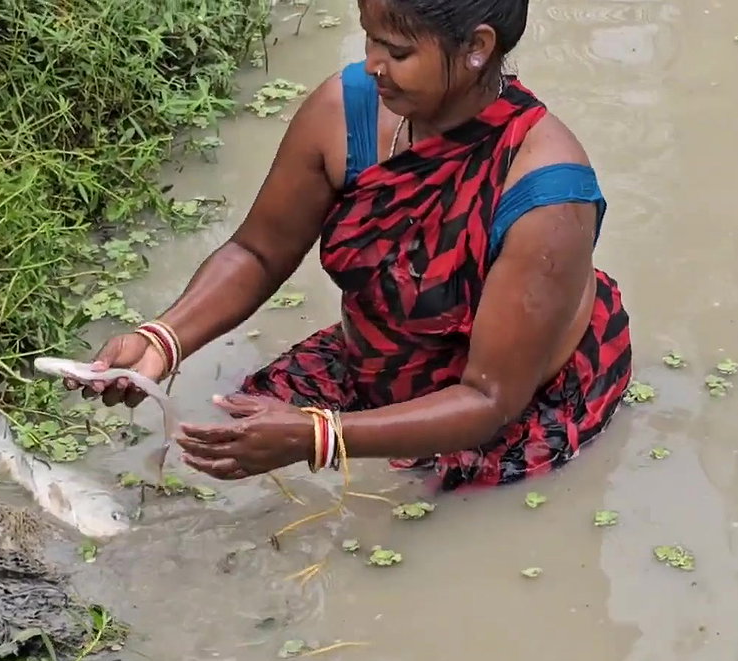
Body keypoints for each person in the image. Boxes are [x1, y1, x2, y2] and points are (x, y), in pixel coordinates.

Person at [67, 0, 632, 491]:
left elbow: (490, 400)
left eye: (398, 51)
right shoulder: (348, 109)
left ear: (477, 48)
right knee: (223, 443)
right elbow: (258, 253)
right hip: (375, 363)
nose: (372, 65)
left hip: (508, 408)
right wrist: (162, 341)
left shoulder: (547, 196)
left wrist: (319, 435)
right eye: (369, 38)